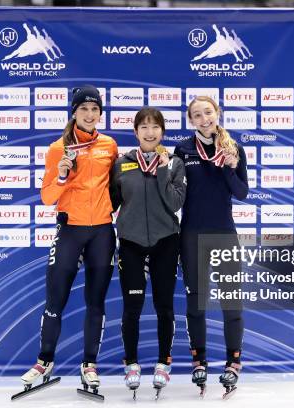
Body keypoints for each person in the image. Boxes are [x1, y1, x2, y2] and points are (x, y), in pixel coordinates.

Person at [20, 85, 118, 398]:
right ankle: (44, 361)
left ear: (100, 113)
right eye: (84, 109)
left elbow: (116, 188)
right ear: (74, 112)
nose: (90, 114)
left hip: (102, 231)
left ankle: (89, 363)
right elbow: (47, 196)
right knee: (55, 298)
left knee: (96, 301)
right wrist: (62, 176)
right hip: (70, 230)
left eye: (95, 109)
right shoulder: (57, 148)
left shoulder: (110, 145)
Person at [174, 96, 249, 396]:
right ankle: (199, 360)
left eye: (208, 112)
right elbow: (175, 193)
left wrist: (229, 168)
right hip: (191, 235)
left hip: (224, 235)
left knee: (232, 301)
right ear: (191, 120)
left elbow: (242, 193)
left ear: (217, 114)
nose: (204, 119)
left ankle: (233, 362)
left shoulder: (234, 148)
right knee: (196, 302)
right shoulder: (183, 150)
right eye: (197, 115)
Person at [110, 108, 186, 398]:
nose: (150, 132)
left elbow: (174, 204)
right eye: (144, 127)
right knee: (132, 307)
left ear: (163, 132)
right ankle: (131, 363)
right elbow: (111, 202)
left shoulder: (176, 163)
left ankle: (163, 362)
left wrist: (163, 169)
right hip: (131, 242)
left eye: (155, 127)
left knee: (164, 306)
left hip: (166, 241)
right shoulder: (122, 164)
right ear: (136, 132)